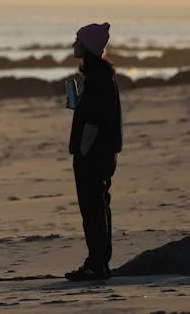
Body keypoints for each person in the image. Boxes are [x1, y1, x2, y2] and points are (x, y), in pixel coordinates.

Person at [65, 22, 123, 281]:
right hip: (104, 153)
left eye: (77, 40)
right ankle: (100, 262)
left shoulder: (98, 78)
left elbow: (93, 121)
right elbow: (93, 113)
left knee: (93, 211)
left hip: (94, 155)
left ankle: (97, 264)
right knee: (99, 208)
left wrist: (83, 152)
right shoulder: (100, 75)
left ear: (87, 46)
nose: (73, 44)